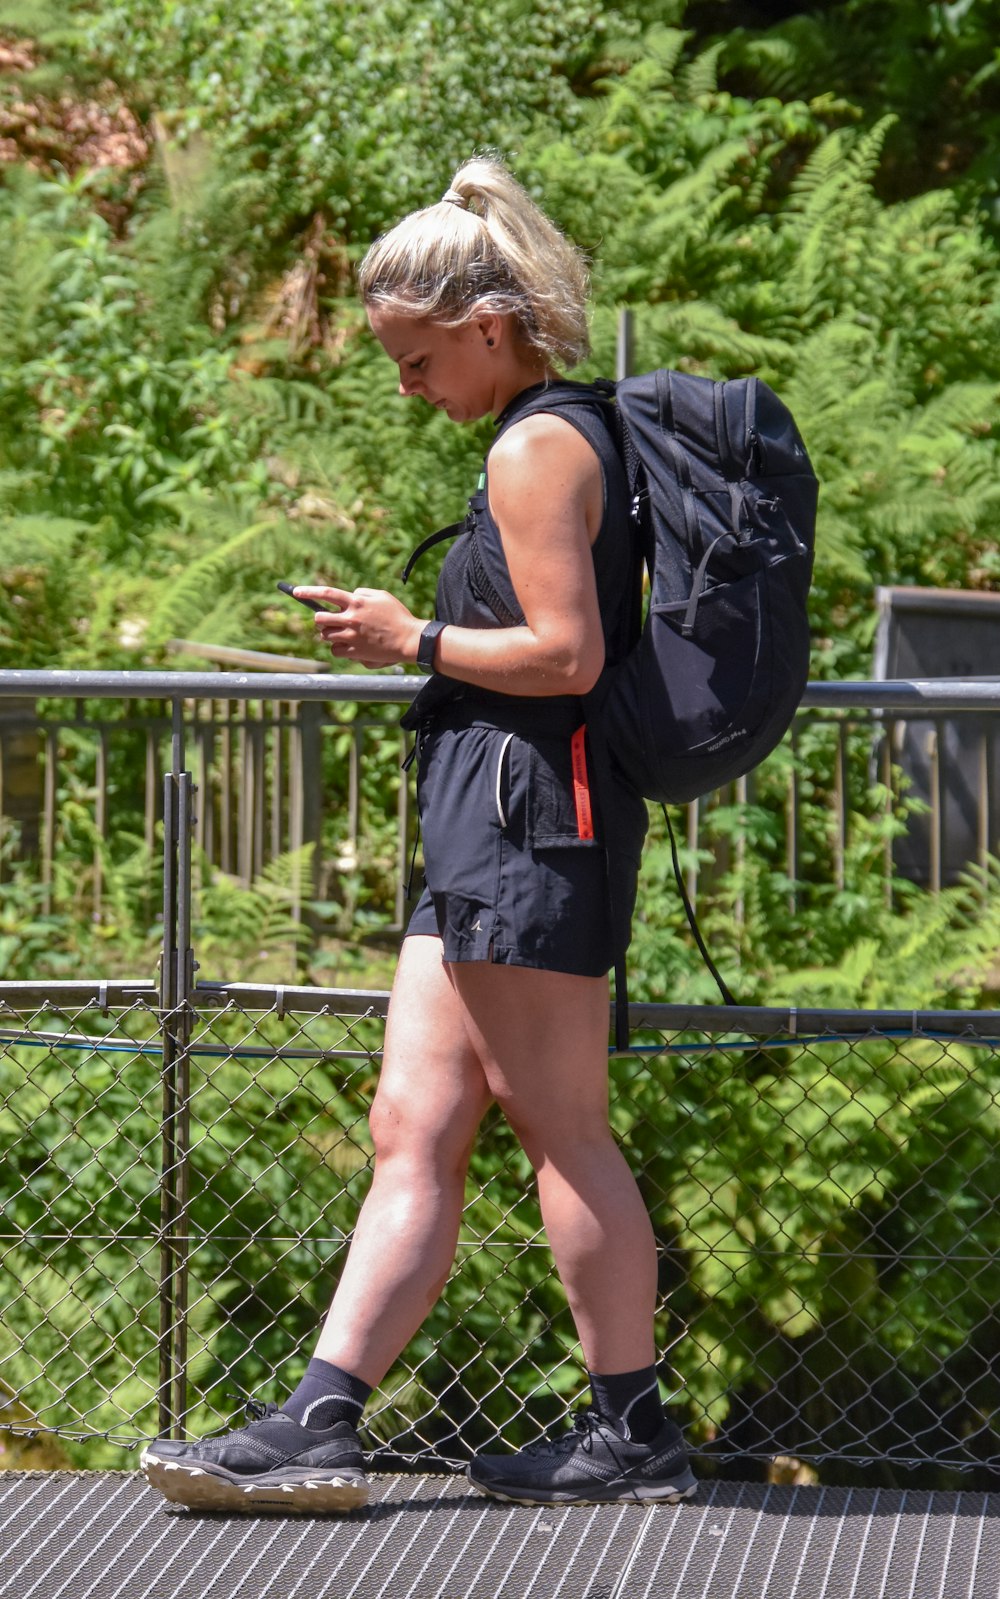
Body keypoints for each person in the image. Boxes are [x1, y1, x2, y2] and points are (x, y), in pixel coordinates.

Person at [141, 155, 697, 1514]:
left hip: (530, 819)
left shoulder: (539, 444)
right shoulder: (548, 435)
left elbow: (567, 655)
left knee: (562, 1128)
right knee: (415, 1119)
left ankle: (631, 1432)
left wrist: (415, 637)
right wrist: (422, 639)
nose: (407, 384)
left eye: (417, 356)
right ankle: (325, 1413)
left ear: (490, 325)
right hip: (491, 821)